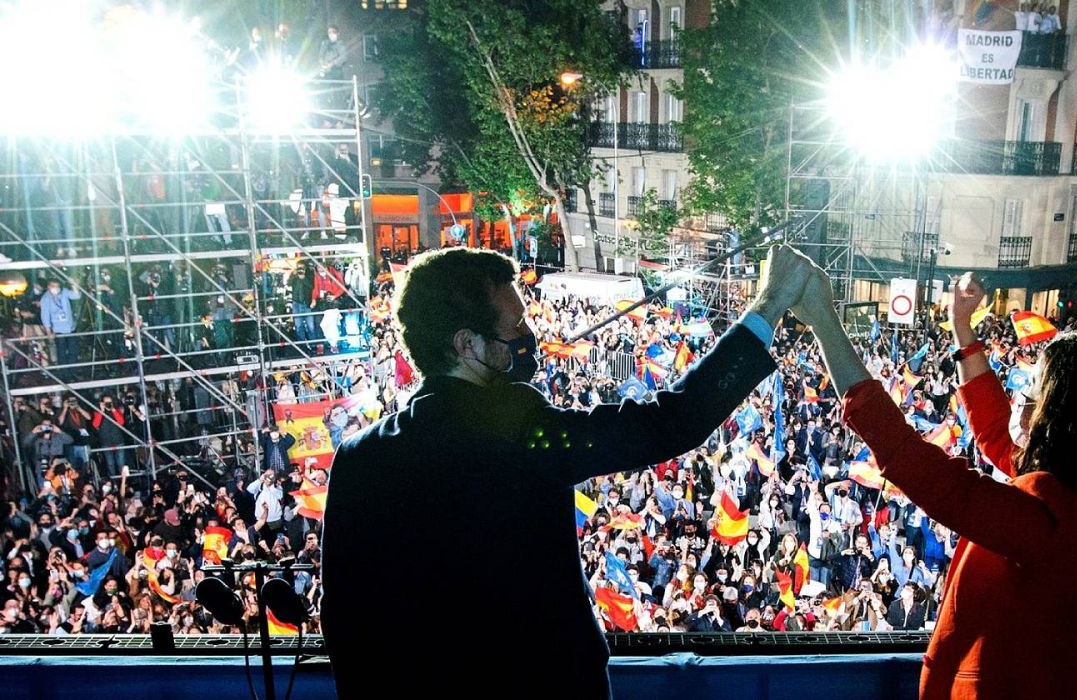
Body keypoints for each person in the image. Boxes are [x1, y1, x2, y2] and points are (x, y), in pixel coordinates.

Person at [321, 245, 813, 698]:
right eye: (514, 327)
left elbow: (344, 625)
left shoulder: (360, 459)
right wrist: (769, 304)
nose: (528, 337)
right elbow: (669, 424)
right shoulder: (523, 436)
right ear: (466, 344)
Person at [796, 269, 1077, 699]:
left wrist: (824, 322)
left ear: (1065, 416)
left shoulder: (1047, 522)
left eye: (1034, 387)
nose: (1021, 395)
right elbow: (994, 434)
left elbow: (917, 465)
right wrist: (962, 328)